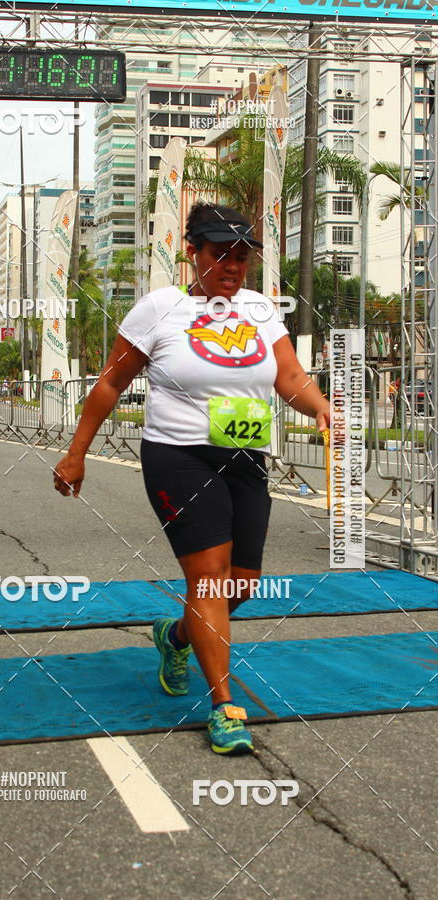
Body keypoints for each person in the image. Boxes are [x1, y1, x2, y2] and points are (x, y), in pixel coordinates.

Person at [53, 203, 331, 755]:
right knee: (208, 579)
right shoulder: (160, 308)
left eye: (242, 256)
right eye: (220, 253)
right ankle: (225, 705)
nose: (232, 265)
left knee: (241, 585)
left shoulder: (258, 308)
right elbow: (111, 385)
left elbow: (290, 376)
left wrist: (321, 407)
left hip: (244, 457)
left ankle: (175, 635)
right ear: (193, 253)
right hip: (177, 457)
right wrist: (76, 453)